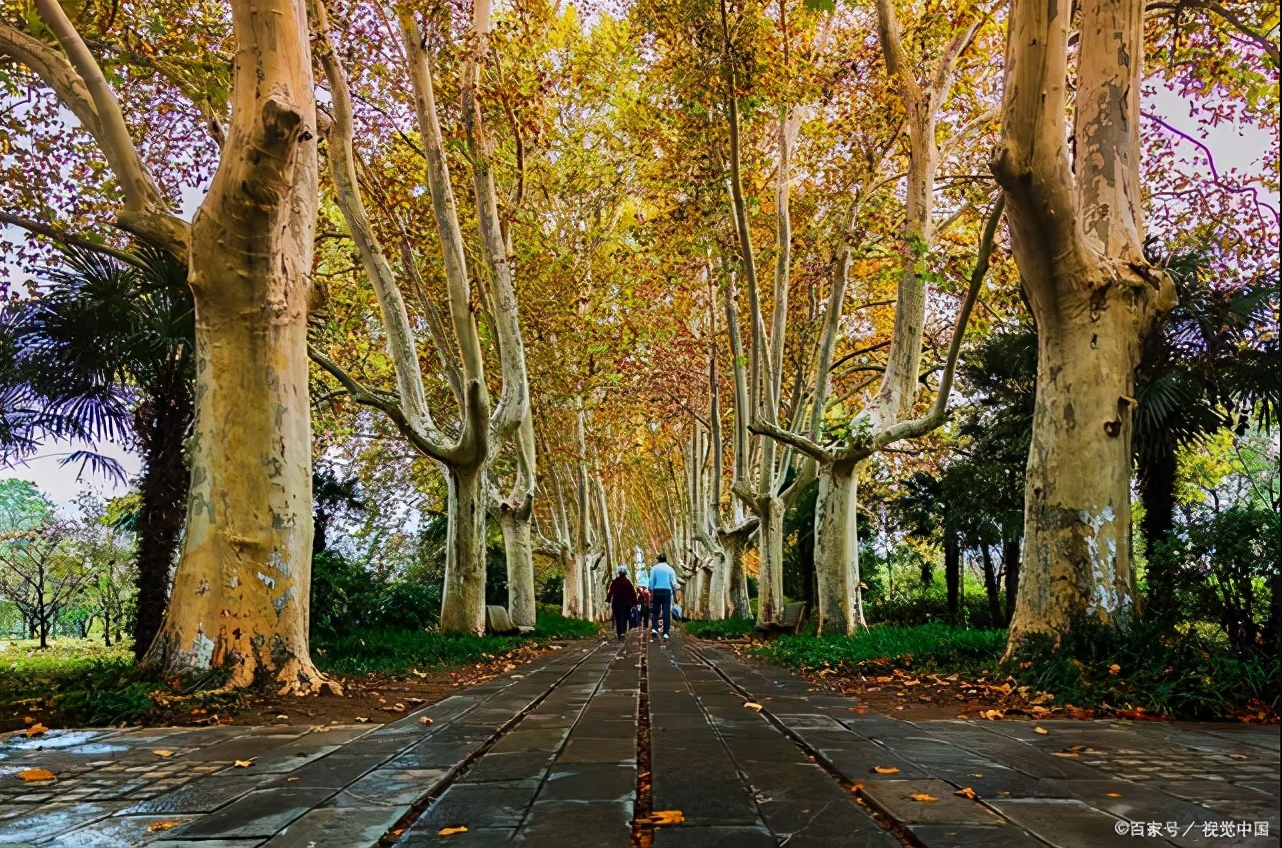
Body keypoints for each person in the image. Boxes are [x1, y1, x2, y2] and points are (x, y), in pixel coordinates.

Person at [647, 554, 679, 639]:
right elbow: (674, 582)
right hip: (666, 591)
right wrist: (674, 590)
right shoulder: (670, 569)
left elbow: (651, 581)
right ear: (666, 560)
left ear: (658, 560)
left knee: (655, 611)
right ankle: (666, 632)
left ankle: (654, 628)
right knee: (666, 612)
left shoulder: (654, 568)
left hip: (657, 591)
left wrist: (651, 589)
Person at [605, 565, 637, 640]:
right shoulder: (628, 582)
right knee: (624, 617)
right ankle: (623, 632)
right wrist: (634, 602)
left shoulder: (615, 582)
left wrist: (608, 599)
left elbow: (611, 592)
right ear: (625, 574)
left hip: (616, 602)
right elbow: (633, 593)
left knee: (618, 617)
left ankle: (619, 632)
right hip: (626, 603)